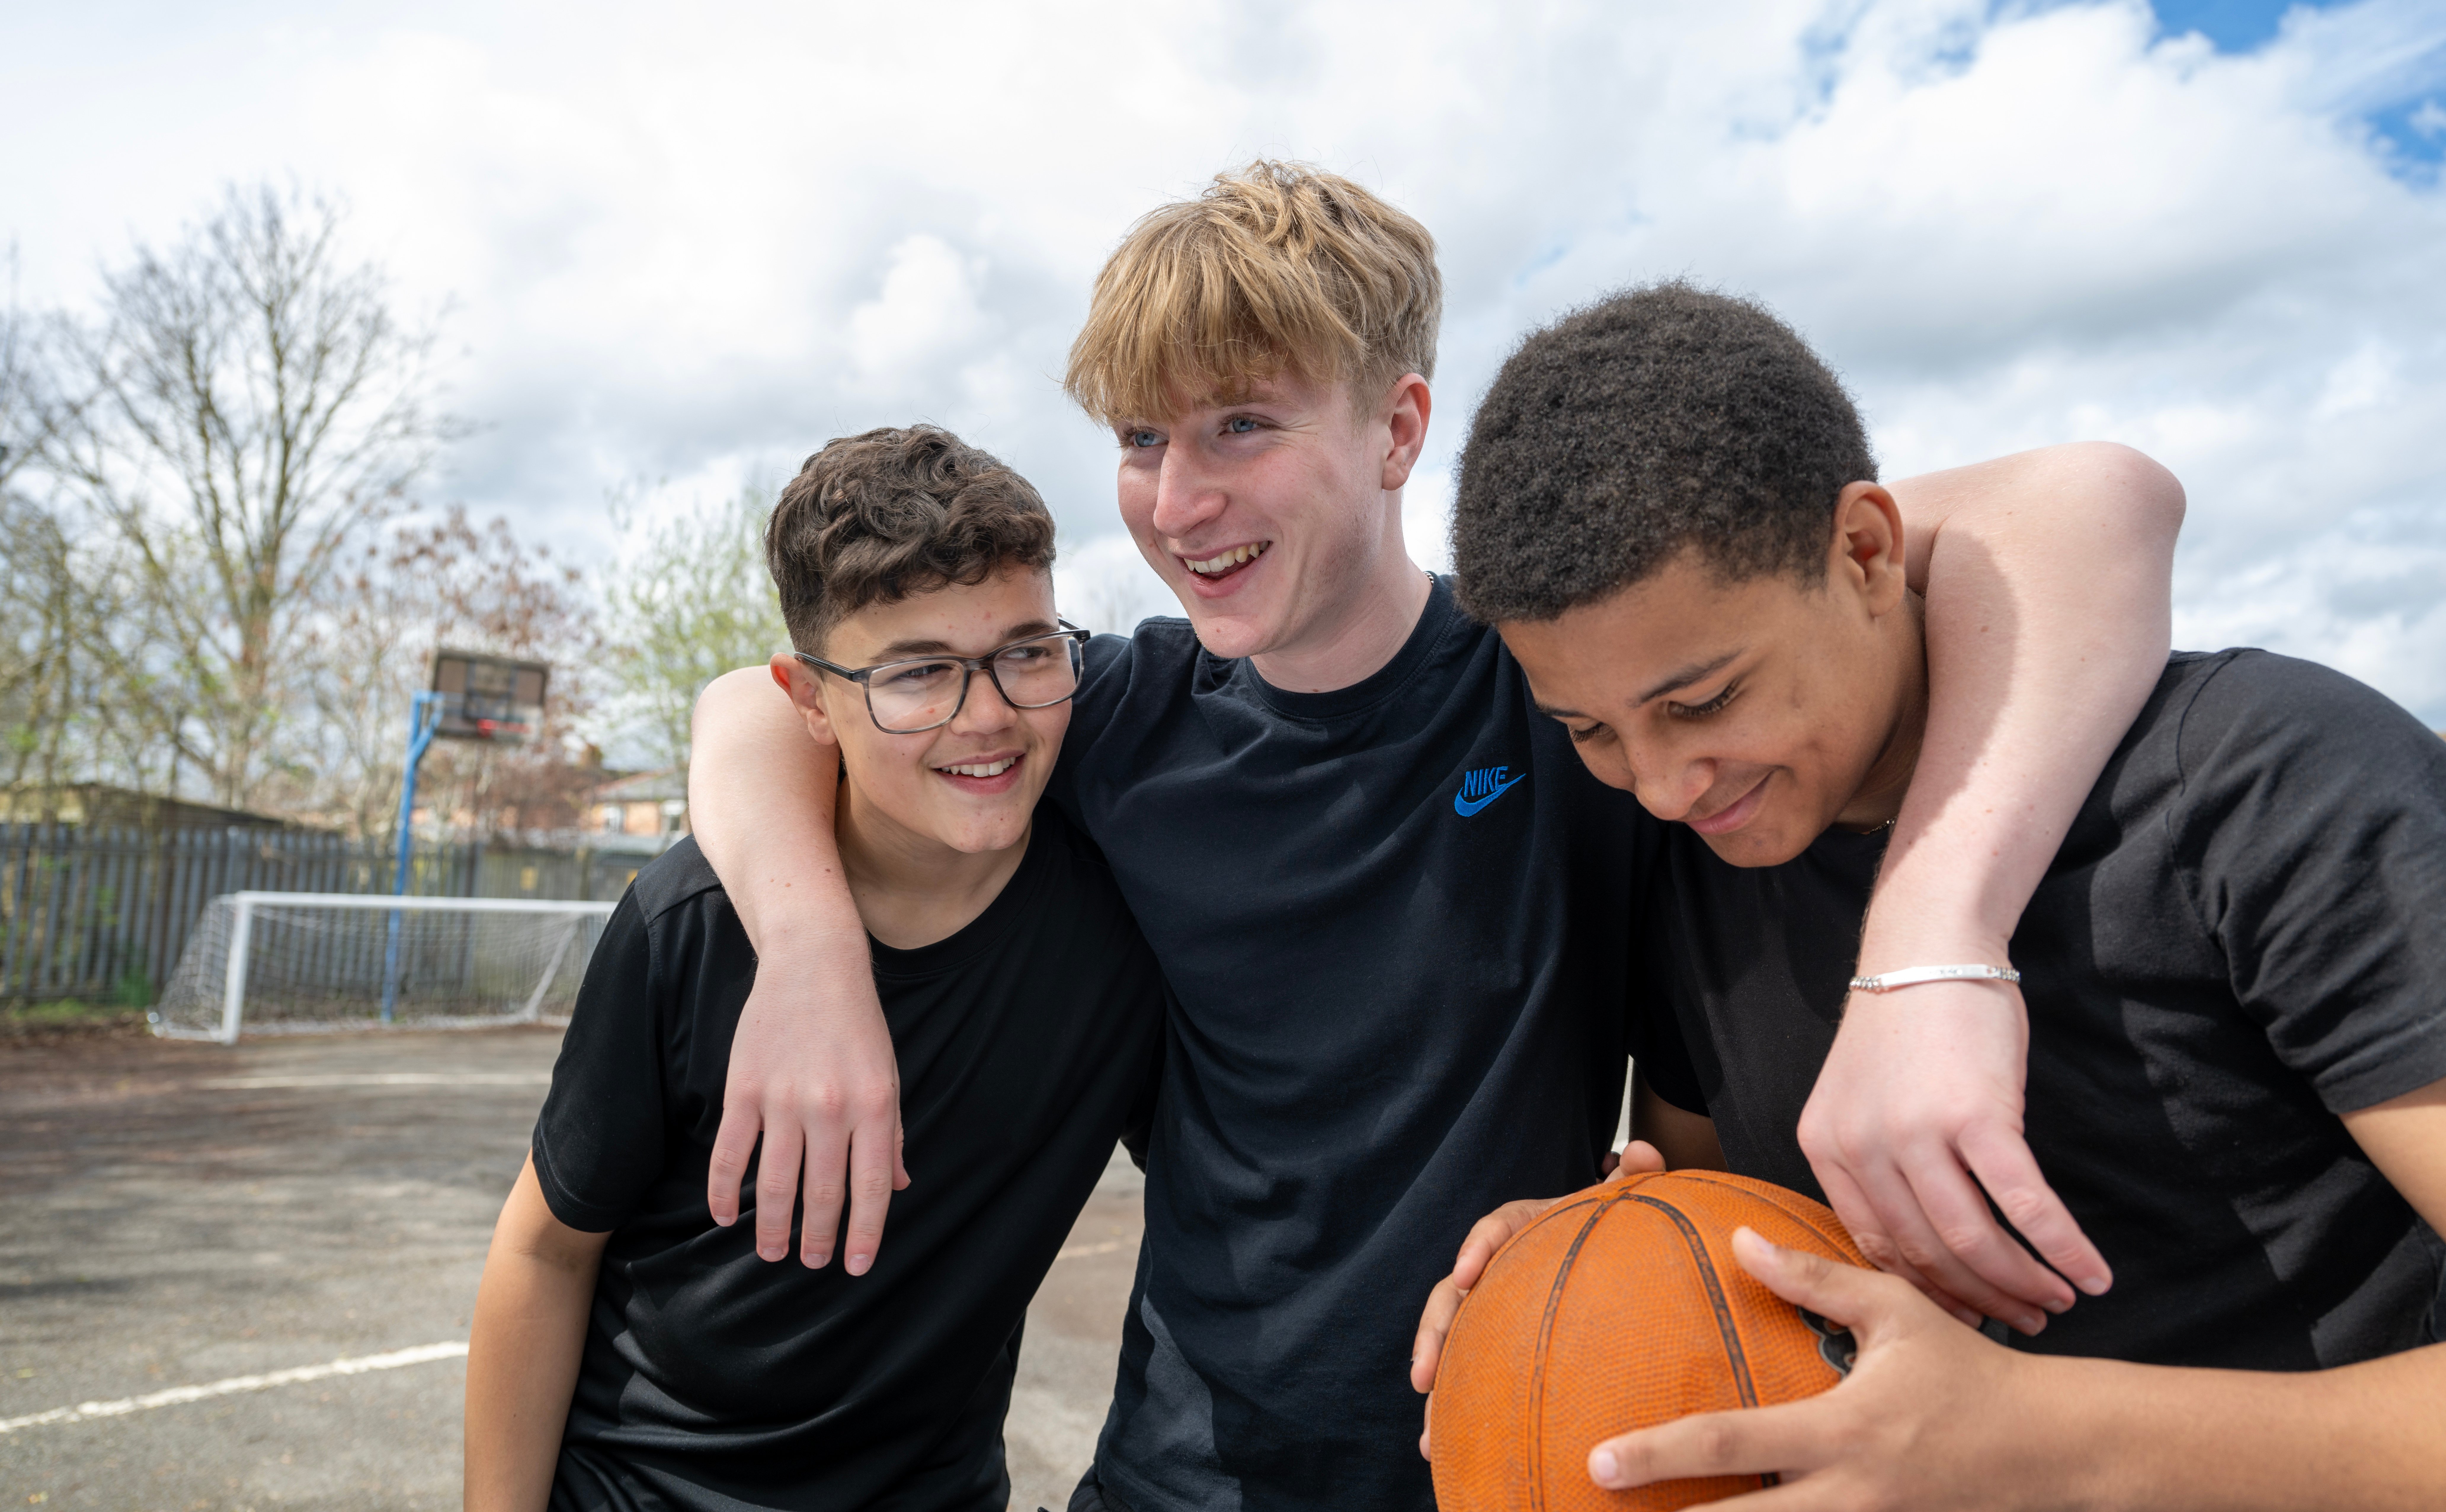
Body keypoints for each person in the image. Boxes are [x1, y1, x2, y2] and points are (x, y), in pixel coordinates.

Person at [684, 163, 2189, 1511]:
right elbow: (752, 711)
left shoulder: (1569, 677)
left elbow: (2097, 500)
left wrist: (1935, 954)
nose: (1179, 495)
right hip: (1183, 1468)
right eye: (1143, 437)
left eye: (1244, 425)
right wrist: (809, 957)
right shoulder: (1123, 712)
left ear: (1400, 426)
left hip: (1512, 1449)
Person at [1419, 282, 2446, 1508]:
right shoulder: (1700, 861)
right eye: (1588, 728)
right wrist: (1584, 1277)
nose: (1659, 784)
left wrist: (2033, 1438)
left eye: (1704, 701)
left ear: (1865, 551)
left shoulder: (2273, 783)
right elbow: (1714, 1209)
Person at [462, 427, 1163, 1512]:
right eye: (917, 673)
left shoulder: (1127, 921)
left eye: (1029, 652)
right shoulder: (689, 923)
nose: (987, 716)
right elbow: (546, 1254)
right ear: (807, 697)